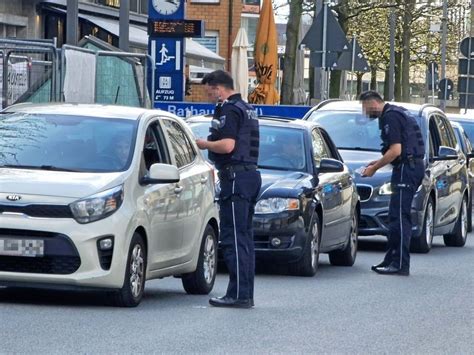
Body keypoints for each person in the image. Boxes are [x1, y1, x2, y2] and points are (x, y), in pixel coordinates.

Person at [196, 70, 261, 308]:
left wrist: (203, 144)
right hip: (247, 176)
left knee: (233, 238)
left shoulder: (230, 109)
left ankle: (239, 295)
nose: (209, 96)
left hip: (236, 178)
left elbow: (227, 145)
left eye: (209, 91)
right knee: (243, 238)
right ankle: (241, 292)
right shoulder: (246, 107)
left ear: (218, 87)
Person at [359, 91, 425, 276]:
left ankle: (400, 264)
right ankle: (391, 259)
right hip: (409, 167)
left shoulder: (390, 116)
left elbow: (396, 150)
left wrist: (375, 168)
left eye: (364, 107)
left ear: (372, 103)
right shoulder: (397, 112)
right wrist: (377, 162)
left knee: (400, 218)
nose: (365, 112)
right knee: (394, 215)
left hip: (406, 168)